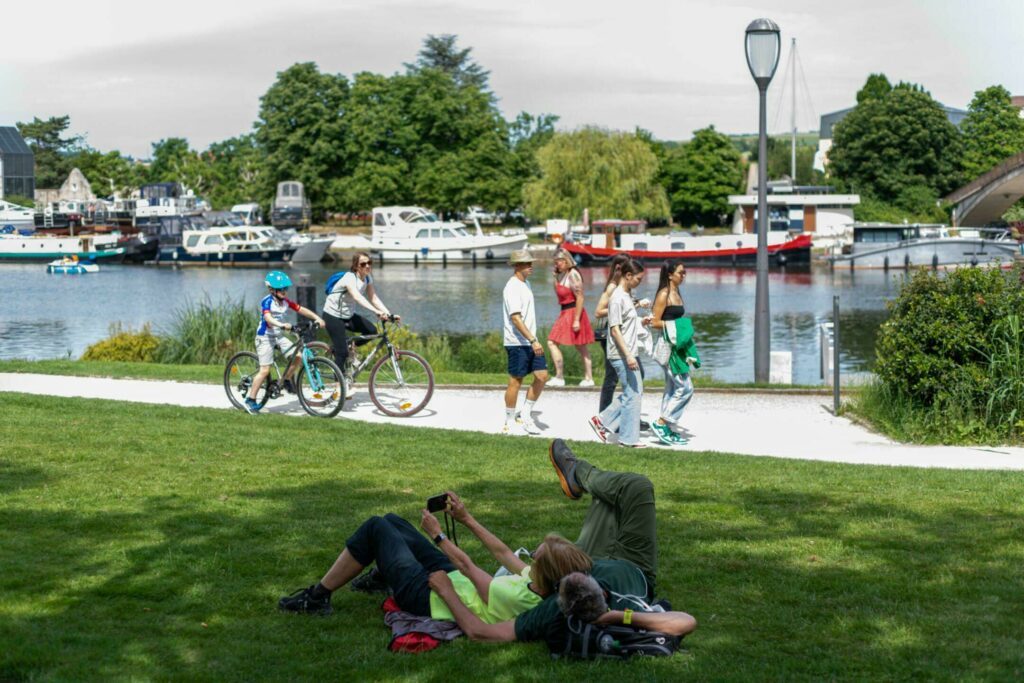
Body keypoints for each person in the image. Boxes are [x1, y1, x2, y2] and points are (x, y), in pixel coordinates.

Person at [427, 439, 697, 647]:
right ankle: (578, 473)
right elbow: (685, 622)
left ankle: (575, 475)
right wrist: (618, 616)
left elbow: (483, 629)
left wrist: (458, 528)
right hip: (634, 564)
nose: (534, 555)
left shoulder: (564, 589)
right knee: (635, 487)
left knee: (616, 493)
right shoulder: (575, 603)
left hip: (590, 558)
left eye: (537, 554)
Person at [277, 493, 592, 624]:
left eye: (538, 554)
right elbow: (503, 553)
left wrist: (437, 535)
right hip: (453, 580)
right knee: (393, 520)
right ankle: (384, 573)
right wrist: (466, 518)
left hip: (428, 595)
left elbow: (468, 567)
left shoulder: (515, 597)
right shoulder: (540, 584)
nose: (533, 552)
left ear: (545, 570)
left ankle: (317, 598)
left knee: (376, 527)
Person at [245, 271, 325, 414]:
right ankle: (250, 400)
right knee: (265, 370)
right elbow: (268, 318)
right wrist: (281, 325)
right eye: (280, 289)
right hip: (265, 336)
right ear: (271, 289)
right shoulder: (267, 301)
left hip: (278, 335)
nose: (284, 291)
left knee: (298, 357)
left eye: (285, 289)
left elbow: (301, 309)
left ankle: (286, 380)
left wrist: (316, 318)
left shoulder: (285, 302)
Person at [589, 260, 650, 448]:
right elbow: (614, 330)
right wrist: (629, 356)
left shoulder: (625, 296)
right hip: (621, 354)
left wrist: (642, 321)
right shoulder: (617, 297)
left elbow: (626, 324)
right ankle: (625, 437)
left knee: (634, 392)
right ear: (628, 276)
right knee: (634, 392)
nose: (640, 282)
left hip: (628, 351)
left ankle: (606, 423)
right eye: (638, 279)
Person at [322, 252, 398, 400]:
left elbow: (373, 298)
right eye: (363, 264)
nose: (367, 266)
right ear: (356, 266)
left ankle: (347, 346)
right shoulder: (349, 278)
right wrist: (376, 312)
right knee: (342, 353)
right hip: (332, 315)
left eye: (369, 263)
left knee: (371, 330)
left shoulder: (368, 278)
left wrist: (388, 314)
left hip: (348, 315)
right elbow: (357, 296)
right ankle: (339, 388)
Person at [502, 249, 548, 435]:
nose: (531, 266)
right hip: (517, 342)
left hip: (530, 341)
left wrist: (533, 340)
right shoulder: (511, 287)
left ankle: (525, 414)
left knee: (542, 376)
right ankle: (509, 421)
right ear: (517, 266)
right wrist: (533, 339)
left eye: (531, 263)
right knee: (516, 381)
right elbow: (515, 318)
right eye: (527, 263)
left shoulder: (526, 284)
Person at [649, 260, 693, 445]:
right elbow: (653, 321)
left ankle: (667, 429)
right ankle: (662, 422)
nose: (683, 275)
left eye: (684, 272)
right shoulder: (664, 294)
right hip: (667, 345)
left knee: (672, 388)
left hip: (677, 345)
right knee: (685, 387)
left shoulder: (677, 292)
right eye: (681, 272)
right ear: (669, 274)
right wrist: (678, 325)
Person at [546, 250, 595, 387]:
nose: (557, 264)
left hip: (572, 312)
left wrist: (576, 319)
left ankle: (563, 376)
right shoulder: (565, 275)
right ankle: (584, 377)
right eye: (556, 262)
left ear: (566, 260)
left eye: (559, 261)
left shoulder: (573, 274)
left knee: (554, 342)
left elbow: (580, 297)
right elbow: (559, 292)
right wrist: (555, 277)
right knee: (579, 346)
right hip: (565, 312)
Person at [593, 254, 631, 412]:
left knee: (615, 375)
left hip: (618, 332)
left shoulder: (624, 286)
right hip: (610, 333)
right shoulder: (612, 286)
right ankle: (604, 413)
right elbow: (598, 311)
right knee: (612, 375)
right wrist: (617, 310)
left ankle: (613, 411)